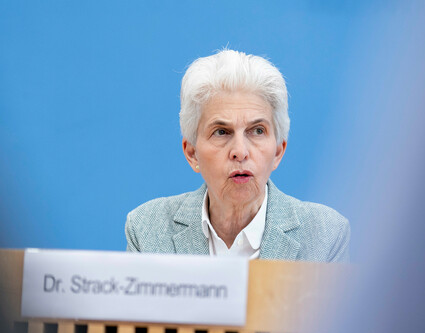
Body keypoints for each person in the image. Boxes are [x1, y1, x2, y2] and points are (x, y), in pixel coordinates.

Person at [125, 49, 349, 262]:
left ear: (278, 151)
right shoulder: (146, 229)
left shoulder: (326, 234)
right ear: (191, 153)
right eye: (221, 132)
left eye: (257, 131)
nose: (240, 152)